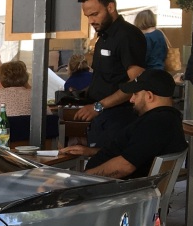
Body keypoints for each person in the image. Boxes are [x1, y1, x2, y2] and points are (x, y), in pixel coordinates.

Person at [57, 69, 185, 178]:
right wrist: (90, 151)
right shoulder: (168, 118)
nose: (131, 99)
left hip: (116, 198)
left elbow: (125, 166)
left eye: (135, 94)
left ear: (149, 96)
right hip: (118, 193)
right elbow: (135, 153)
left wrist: (81, 178)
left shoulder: (155, 123)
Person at [73, 0, 146, 146]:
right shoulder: (103, 37)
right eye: (88, 16)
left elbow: (136, 82)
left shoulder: (127, 35)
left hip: (120, 119)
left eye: (95, 14)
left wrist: (98, 106)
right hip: (102, 120)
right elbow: (108, 78)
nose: (91, 20)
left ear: (110, 7)